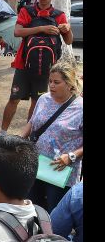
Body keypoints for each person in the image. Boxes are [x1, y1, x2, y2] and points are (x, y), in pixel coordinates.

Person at [1, 0, 74, 131]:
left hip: (46, 67)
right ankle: (2, 133)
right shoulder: (27, 11)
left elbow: (68, 41)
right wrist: (42, 28)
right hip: (23, 64)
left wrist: (67, 29)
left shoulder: (59, 15)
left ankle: (27, 136)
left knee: (36, 102)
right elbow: (17, 32)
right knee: (14, 99)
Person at [18, 61, 83, 211]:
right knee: (31, 209)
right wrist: (20, 139)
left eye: (57, 82)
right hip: (36, 165)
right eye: (50, 81)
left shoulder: (80, 108)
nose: (51, 85)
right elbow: (32, 123)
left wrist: (71, 156)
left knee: (53, 214)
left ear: (69, 84)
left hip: (60, 172)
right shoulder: (44, 99)